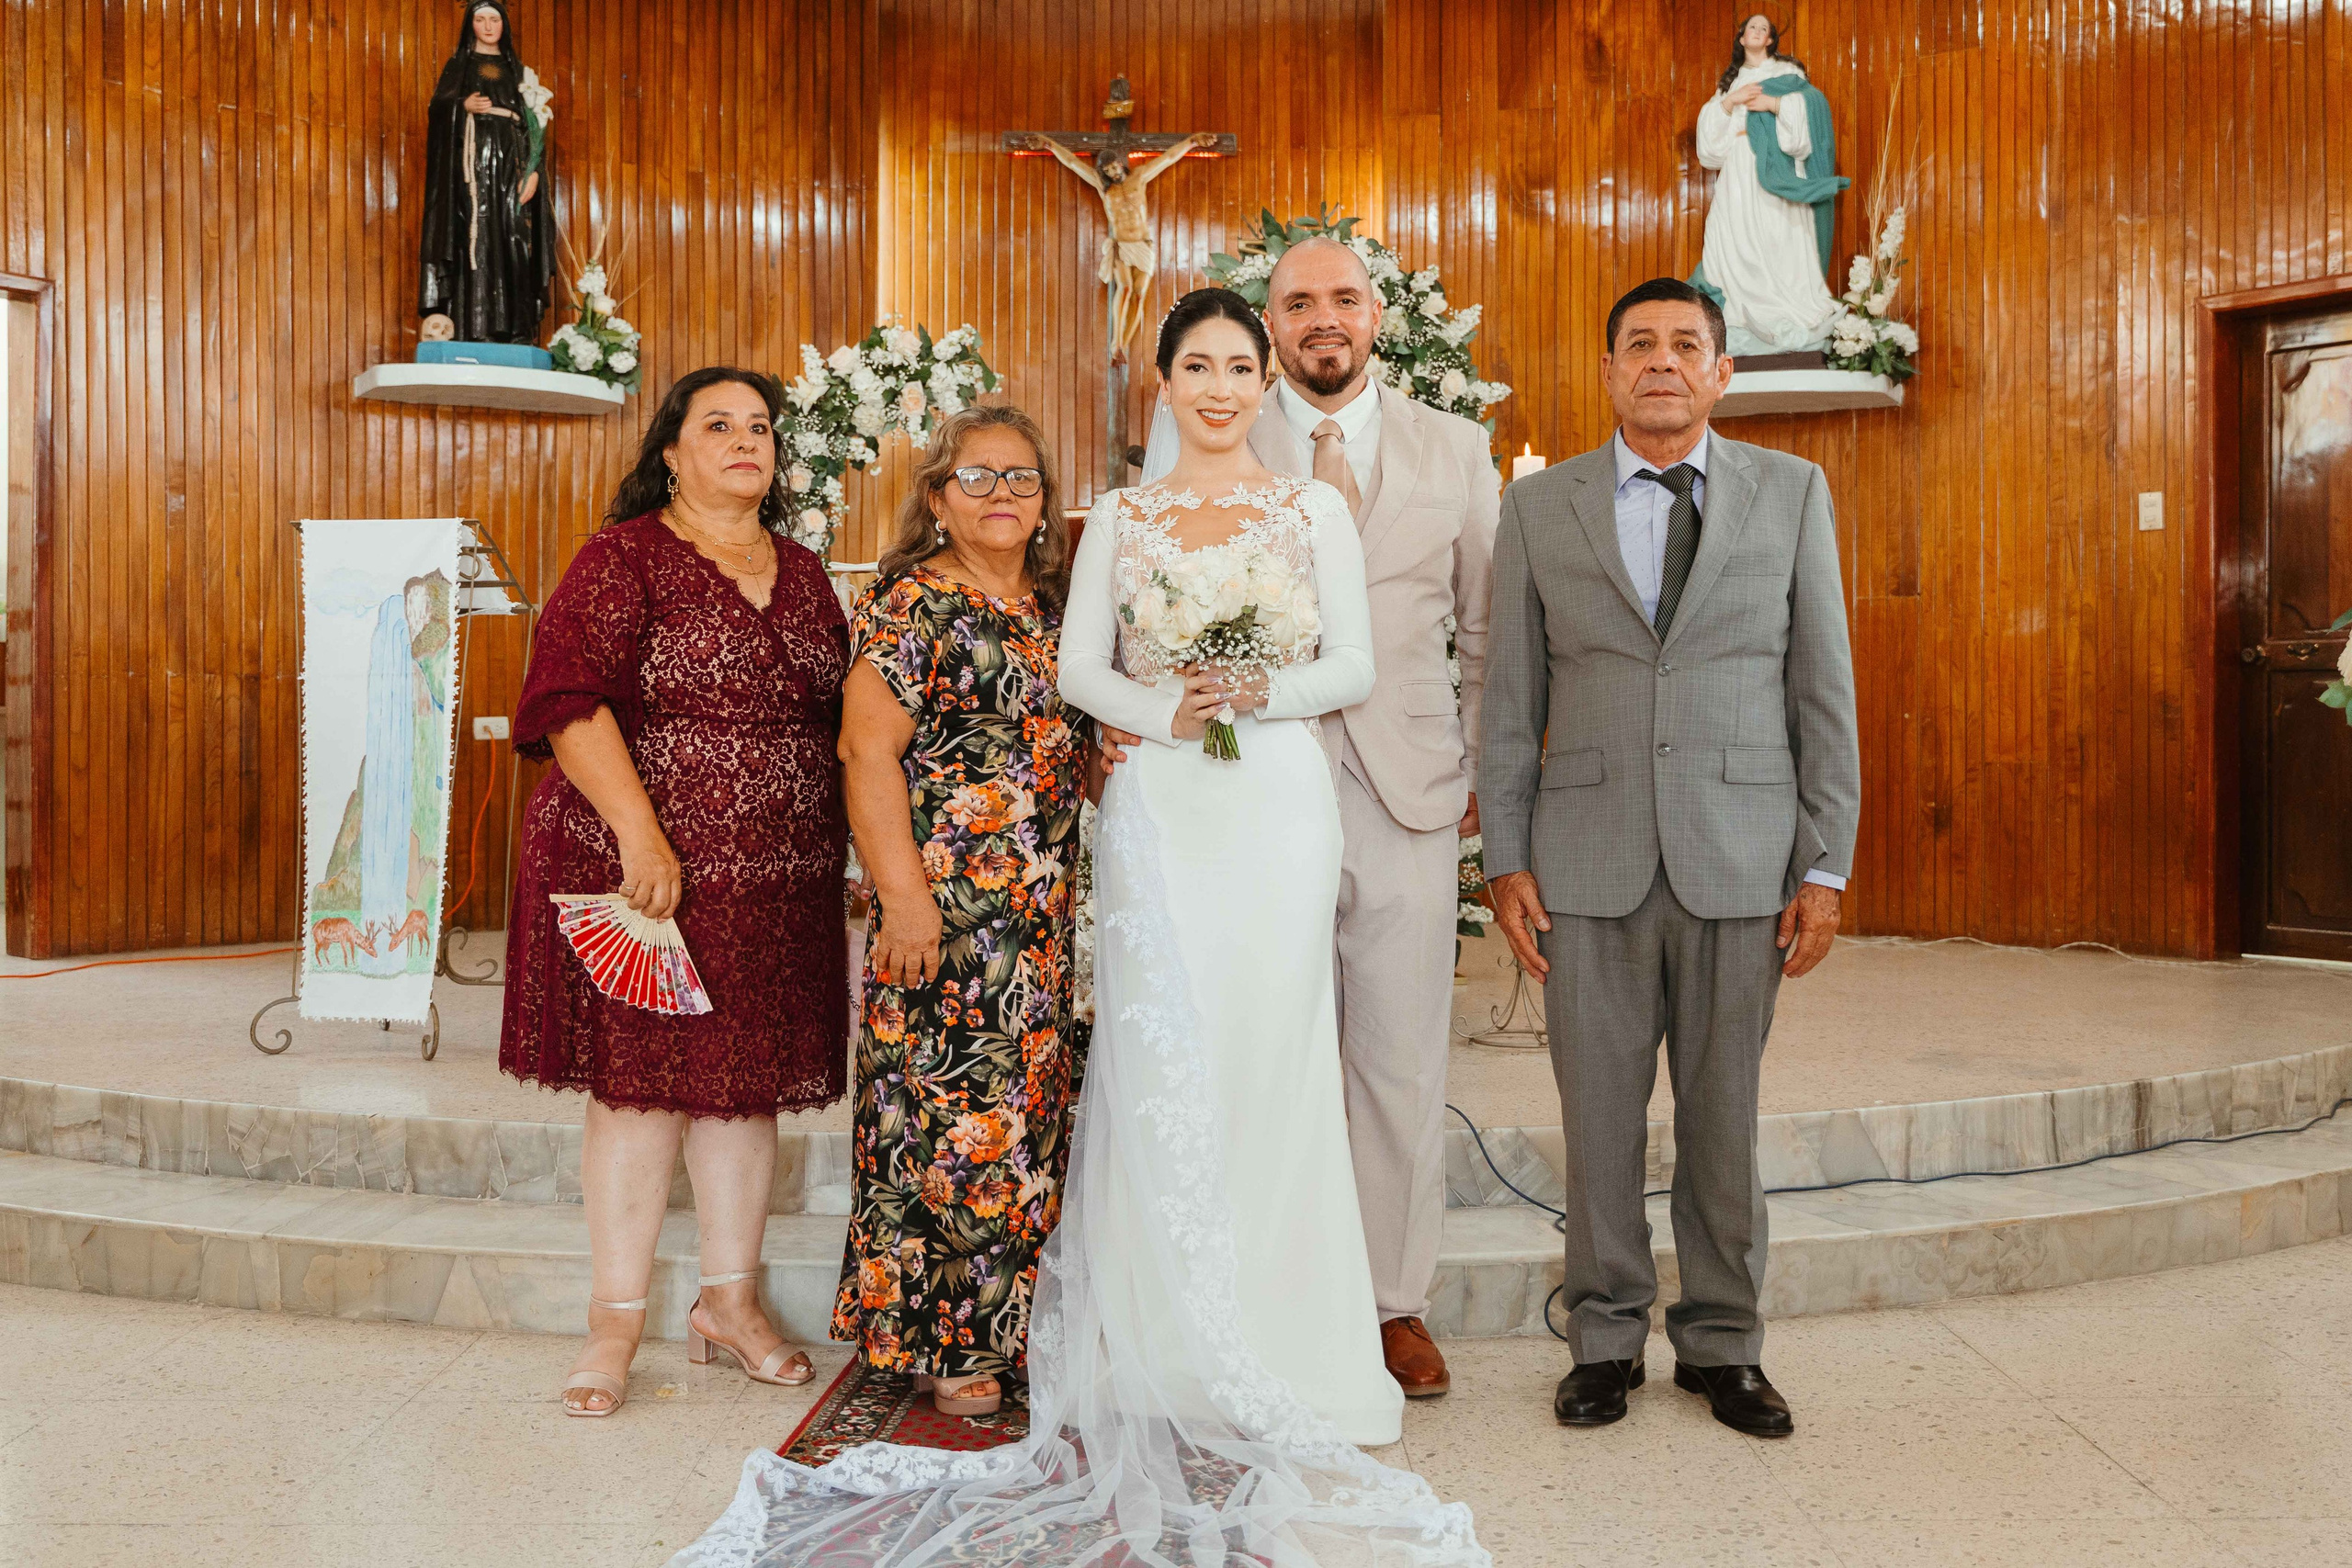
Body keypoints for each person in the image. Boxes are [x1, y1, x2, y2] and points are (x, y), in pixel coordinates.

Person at [673, 292, 1486, 1567]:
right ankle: (1149, 1337)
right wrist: (1168, 713)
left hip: (1273, 797)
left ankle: (1294, 1336)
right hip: (1165, 801)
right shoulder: (1119, 516)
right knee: (1162, 1061)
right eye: (1197, 366)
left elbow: (1355, 666)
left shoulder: (1312, 508)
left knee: (1275, 1059)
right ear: (1161, 382)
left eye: (1239, 366)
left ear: (1265, 379)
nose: (1218, 387)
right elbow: (1083, 669)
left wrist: (1255, 688)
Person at [1480, 277, 1861, 1438]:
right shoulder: (1541, 507)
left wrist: (1825, 863)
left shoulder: (1792, 492)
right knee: (1595, 1122)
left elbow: (1822, 687)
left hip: (1741, 857)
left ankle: (1721, 1344)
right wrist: (1505, 855)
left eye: (1684, 345)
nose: (1661, 362)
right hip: (1583, 860)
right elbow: (1508, 700)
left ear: (1720, 371)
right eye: (1637, 345)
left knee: (1723, 1118)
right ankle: (1602, 1338)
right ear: (1607, 372)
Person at [1124, 235, 1498, 1398]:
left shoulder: (1457, 447)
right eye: (1297, 303)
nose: (1320, 318)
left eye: (1342, 298)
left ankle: (1391, 1303)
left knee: (1393, 1051)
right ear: (1269, 325)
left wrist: (1481, 764)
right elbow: (1149, 607)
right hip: (1248, 783)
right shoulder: (1208, 424)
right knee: (1258, 1040)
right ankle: (1253, 1281)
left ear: (1376, 316)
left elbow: (1486, 628)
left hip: (1408, 789)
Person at [500, 367, 849, 1416]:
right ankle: (613, 1324)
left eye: (760, 428)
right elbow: (567, 702)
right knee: (641, 1094)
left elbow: (838, 716)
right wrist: (642, 836)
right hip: (645, 876)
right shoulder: (625, 557)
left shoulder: (802, 568)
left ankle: (729, 1306)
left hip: (776, 886)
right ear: (672, 450)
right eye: (719, 425)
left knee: (743, 1095)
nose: (746, 441)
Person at [832, 405, 1088, 1419]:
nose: (1001, 497)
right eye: (975, 479)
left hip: (1036, 921)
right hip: (941, 916)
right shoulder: (914, 606)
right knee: (944, 1128)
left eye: (1020, 479)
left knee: (1021, 1127)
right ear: (936, 497)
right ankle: (946, 1341)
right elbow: (866, 754)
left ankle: (1015, 1325)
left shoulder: (1054, 609)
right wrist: (901, 900)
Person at [1690, 13, 1847, 356]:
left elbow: (1813, 105)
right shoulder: (1730, 82)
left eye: (1765, 28)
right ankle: (1738, 318)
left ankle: (1783, 312)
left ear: (1772, 39)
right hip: (1737, 168)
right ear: (1742, 38)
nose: (1758, 31)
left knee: (1779, 234)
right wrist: (1731, 101)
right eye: (1752, 27)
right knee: (1729, 234)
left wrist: (1773, 103)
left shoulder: (1786, 73)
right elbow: (1710, 147)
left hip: (1774, 166)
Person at [418, 1, 553, 344]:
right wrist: (461, 106)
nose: (489, 26)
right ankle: (472, 328)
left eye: (495, 19)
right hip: (471, 165)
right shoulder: (459, 65)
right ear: (471, 24)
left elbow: (534, 127)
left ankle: (518, 330)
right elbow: (438, 108)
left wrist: (534, 171)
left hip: (513, 164)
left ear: (504, 25)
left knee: (514, 236)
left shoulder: (519, 72)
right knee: (474, 238)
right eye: (480, 19)